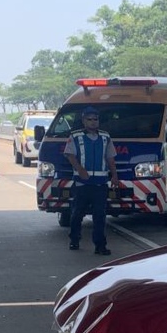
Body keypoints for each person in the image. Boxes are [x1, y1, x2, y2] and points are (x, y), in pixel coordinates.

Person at [63, 106, 121, 255]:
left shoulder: (105, 137)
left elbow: (110, 158)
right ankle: (74, 240)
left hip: (100, 184)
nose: (93, 122)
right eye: (89, 119)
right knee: (77, 214)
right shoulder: (75, 137)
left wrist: (114, 176)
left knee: (100, 215)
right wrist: (80, 169)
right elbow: (69, 155)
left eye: (95, 119)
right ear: (83, 121)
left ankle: (100, 246)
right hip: (82, 184)